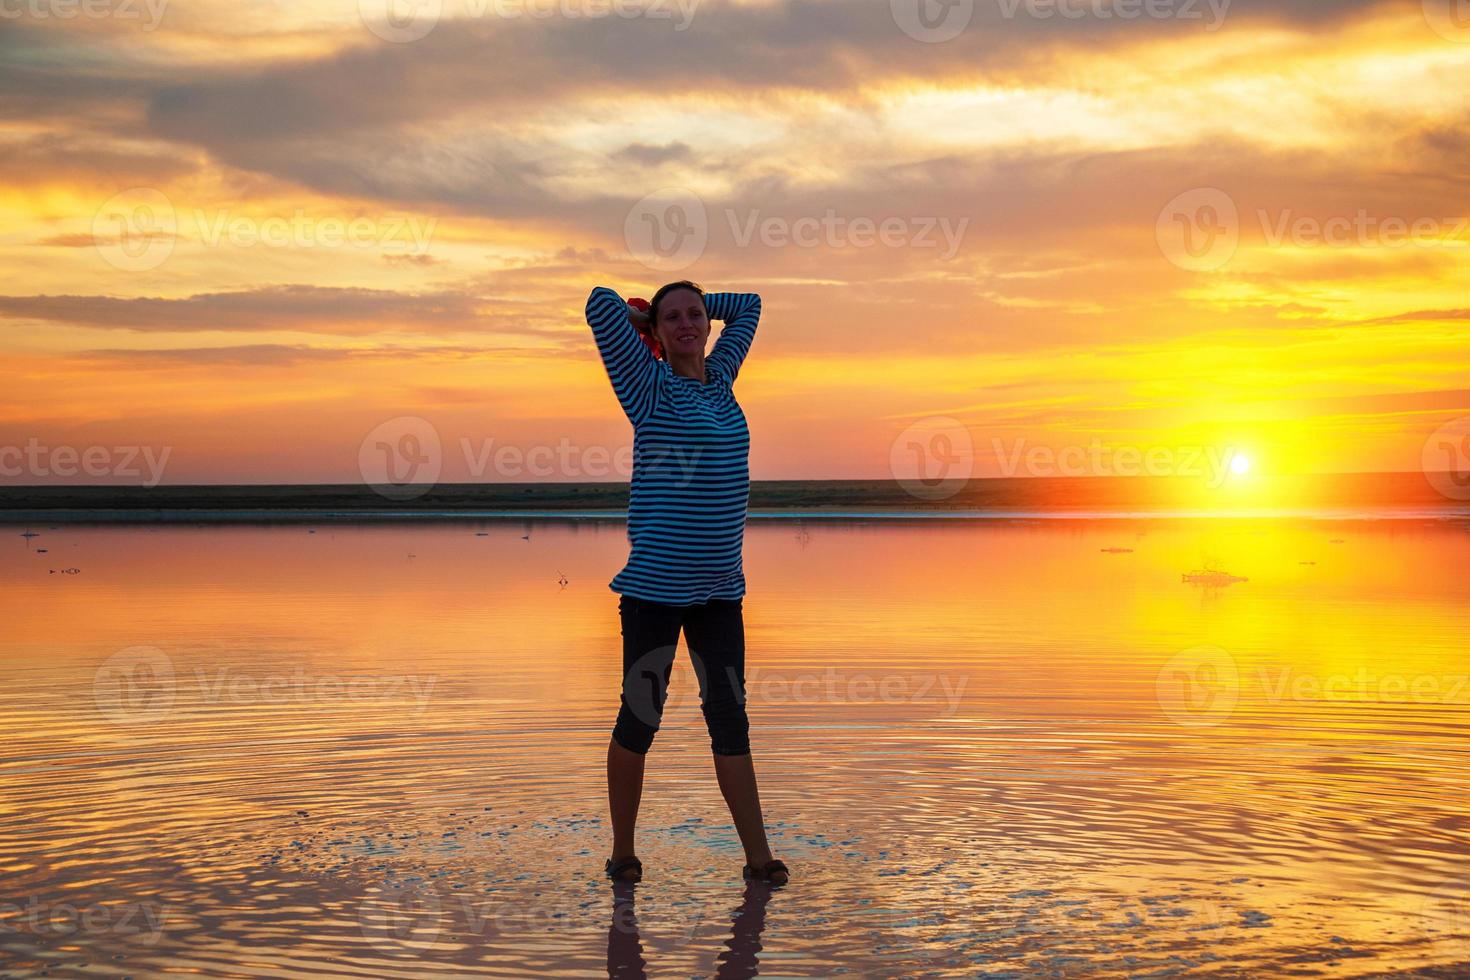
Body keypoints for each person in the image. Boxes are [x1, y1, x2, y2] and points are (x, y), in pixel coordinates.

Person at [584, 279, 788, 887]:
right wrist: (641, 317)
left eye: (694, 315)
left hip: (721, 593)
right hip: (653, 592)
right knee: (640, 716)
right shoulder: (647, 388)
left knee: (730, 718)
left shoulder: (723, 380)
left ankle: (758, 858)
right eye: (672, 318)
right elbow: (599, 303)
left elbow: (749, 306)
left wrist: (698, 305)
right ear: (657, 333)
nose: (686, 325)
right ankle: (623, 851)